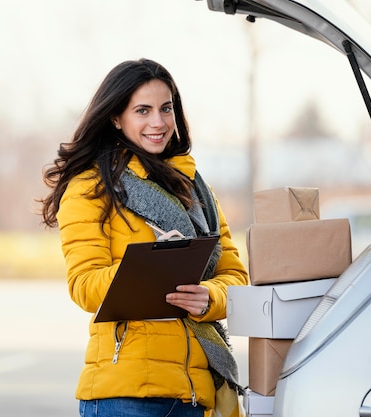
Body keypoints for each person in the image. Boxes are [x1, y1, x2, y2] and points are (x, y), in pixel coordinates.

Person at [39, 58, 249, 417]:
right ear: (116, 118)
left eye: (166, 108)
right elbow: (84, 285)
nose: (159, 122)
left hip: (197, 394)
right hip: (125, 396)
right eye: (143, 110)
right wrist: (149, 266)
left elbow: (235, 277)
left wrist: (208, 297)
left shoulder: (197, 190)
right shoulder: (90, 188)